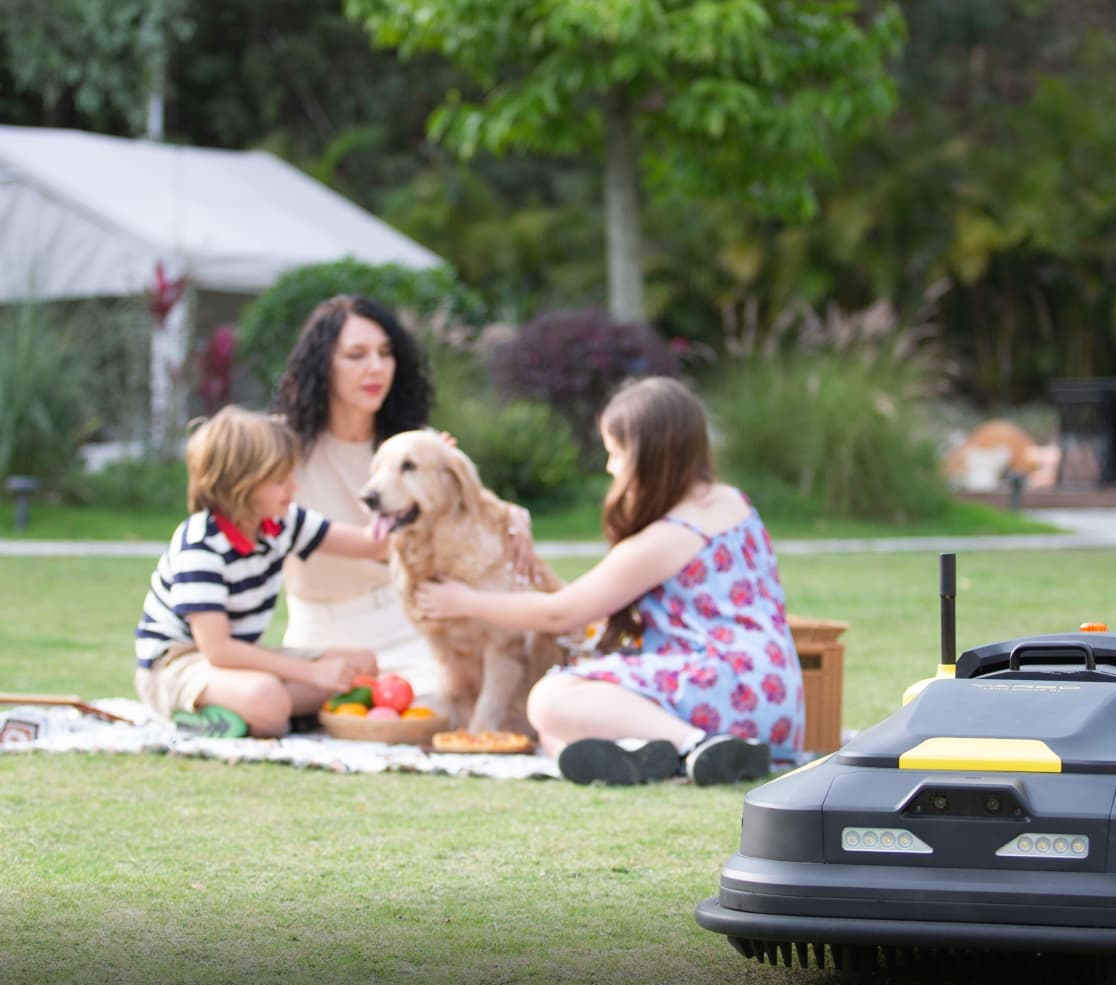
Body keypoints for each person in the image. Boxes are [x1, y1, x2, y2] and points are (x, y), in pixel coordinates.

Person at [411, 375, 806, 784]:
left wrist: (464, 601)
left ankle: (696, 746)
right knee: (555, 735)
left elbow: (559, 614)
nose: (609, 467)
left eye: (615, 454)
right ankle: (655, 758)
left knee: (550, 699)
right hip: (777, 698)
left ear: (646, 456)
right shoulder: (731, 501)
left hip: (725, 689)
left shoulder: (667, 538)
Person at [273, 293, 536, 703]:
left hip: (404, 623)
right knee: (277, 706)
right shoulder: (280, 447)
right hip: (318, 630)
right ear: (322, 365)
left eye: (385, 353)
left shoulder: (416, 448)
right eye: (356, 355)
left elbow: (473, 503)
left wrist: (514, 515)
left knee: (434, 707)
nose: (376, 368)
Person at [133, 406, 392, 734]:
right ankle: (228, 716)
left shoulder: (281, 523)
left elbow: (371, 544)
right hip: (177, 666)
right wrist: (310, 674)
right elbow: (217, 649)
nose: (293, 488)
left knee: (360, 666)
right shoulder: (201, 544)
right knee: (268, 697)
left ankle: (261, 715)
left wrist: (413, 486)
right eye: (280, 480)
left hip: (241, 661)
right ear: (242, 485)